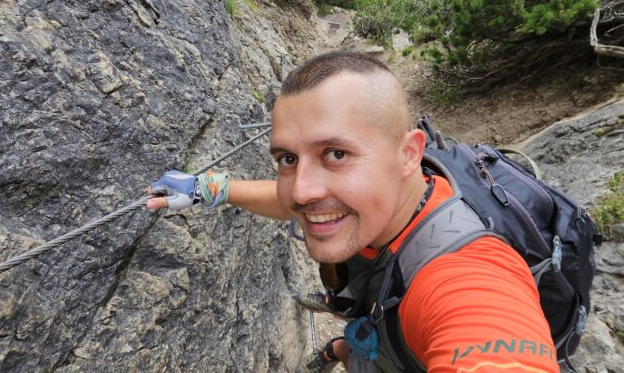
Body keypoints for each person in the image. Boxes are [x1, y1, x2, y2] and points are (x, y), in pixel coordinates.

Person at [146, 51, 559, 373]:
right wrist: (209, 188)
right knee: (355, 347)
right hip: (384, 333)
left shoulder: (469, 278)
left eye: (336, 154)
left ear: (408, 154)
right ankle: (340, 350)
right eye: (288, 159)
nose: (302, 190)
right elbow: (290, 200)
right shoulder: (381, 200)